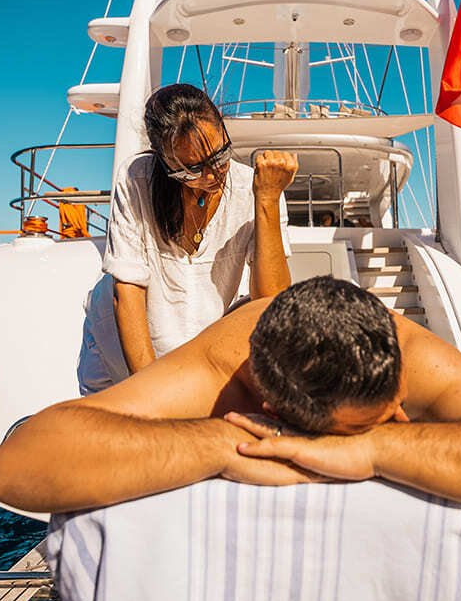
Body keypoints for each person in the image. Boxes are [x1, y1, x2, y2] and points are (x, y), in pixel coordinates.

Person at [0, 276, 461, 514]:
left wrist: (376, 450)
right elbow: (19, 465)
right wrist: (226, 443)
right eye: (369, 425)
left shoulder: (407, 354)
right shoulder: (224, 367)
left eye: (395, 407)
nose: (397, 416)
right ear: (269, 406)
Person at [78, 83, 298, 391]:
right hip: (117, 351)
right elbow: (126, 293)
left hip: (196, 357)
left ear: (223, 126)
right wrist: (151, 391)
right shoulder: (136, 179)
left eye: (220, 155)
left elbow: (270, 301)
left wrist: (268, 199)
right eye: (192, 169)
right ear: (164, 161)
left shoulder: (256, 186)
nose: (213, 174)